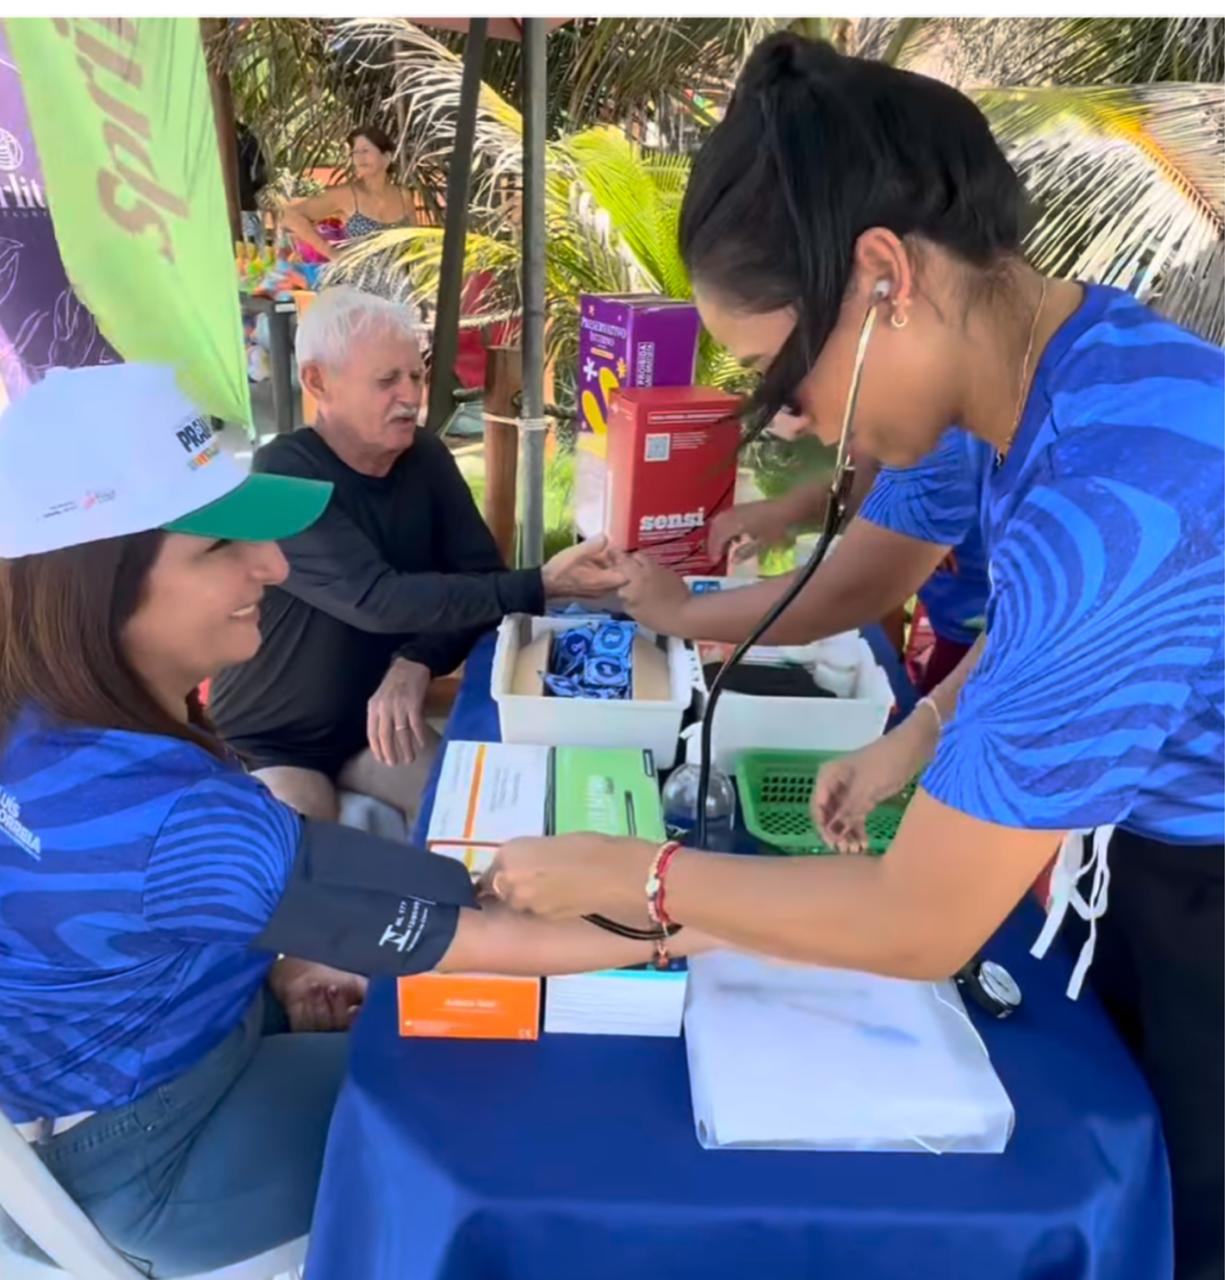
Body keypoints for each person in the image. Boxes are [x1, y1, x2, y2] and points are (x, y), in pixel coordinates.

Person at [483, 35, 1224, 1278]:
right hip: (1143, 853)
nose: (788, 419)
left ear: (883, 275)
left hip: (1198, 887)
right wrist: (926, 727)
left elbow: (917, 916)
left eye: (780, 369)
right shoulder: (1036, 376)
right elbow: (1032, 628)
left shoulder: (1119, 496)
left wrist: (641, 874)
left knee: (1181, 1214)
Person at [0, 364, 711, 1277]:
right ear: (95, 587)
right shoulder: (179, 818)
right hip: (158, 1161)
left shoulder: (40, 719)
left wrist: (286, 959)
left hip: (94, 1099)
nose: (275, 565)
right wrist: (711, 917)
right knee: (532, 1093)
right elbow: (486, 929)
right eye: (222, 544)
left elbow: (209, 901)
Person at [209, 287, 624, 827]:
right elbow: (376, 599)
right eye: (387, 381)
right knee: (296, 851)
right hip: (271, 739)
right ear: (317, 382)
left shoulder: (422, 455)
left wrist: (417, 660)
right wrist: (544, 584)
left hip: (372, 728)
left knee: (478, 817)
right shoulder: (284, 475)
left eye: (417, 377)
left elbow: (481, 583)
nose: (411, 397)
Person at [705, 436, 989, 693]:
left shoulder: (955, 438)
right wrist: (787, 509)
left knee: (949, 707)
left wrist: (680, 613)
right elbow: (864, 478)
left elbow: (850, 586)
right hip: (949, 604)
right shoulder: (885, 416)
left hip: (984, 620)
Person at [280, 124, 413, 265]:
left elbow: (415, 244)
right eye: (356, 152)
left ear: (386, 157)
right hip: (356, 283)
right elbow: (289, 214)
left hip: (399, 282)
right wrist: (331, 253)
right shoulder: (346, 195)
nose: (360, 158)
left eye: (366, 151)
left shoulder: (404, 196)